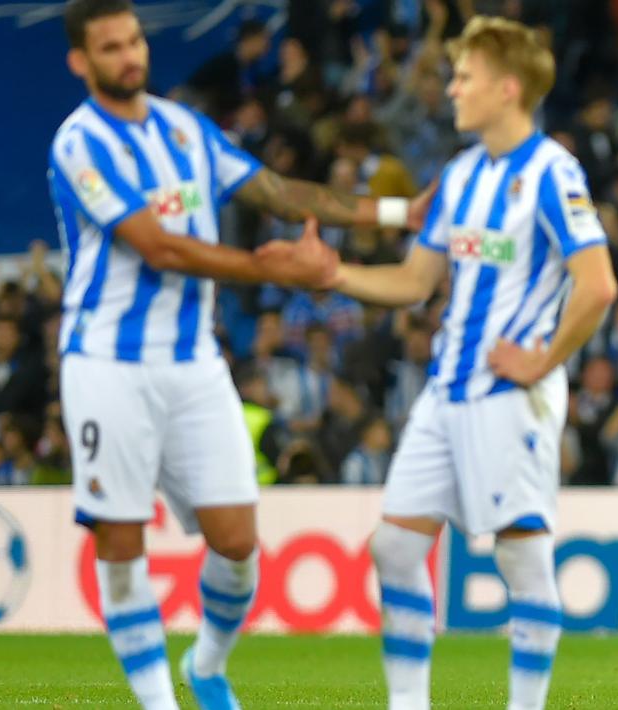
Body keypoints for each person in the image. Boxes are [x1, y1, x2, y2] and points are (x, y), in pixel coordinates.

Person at [50, 2, 422, 708]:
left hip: (194, 364)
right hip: (106, 364)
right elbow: (160, 247)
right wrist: (270, 268)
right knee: (122, 545)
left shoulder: (185, 129)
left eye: (133, 41)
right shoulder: (79, 144)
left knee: (238, 545)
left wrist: (398, 212)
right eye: (110, 47)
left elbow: (278, 192)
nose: (130, 56)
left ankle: (207, 667)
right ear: (81, 61)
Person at [264, 15, 618, 710]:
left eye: (464, 77)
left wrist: (544, 359)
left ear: (507, 88)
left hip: (508, 395)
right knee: (394, 548)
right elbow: (413, 281)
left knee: (519, 556)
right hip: (444, 392)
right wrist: (333, 274)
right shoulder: (459, 175)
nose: (451, 88)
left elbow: (598, 284)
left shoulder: (552, 172)